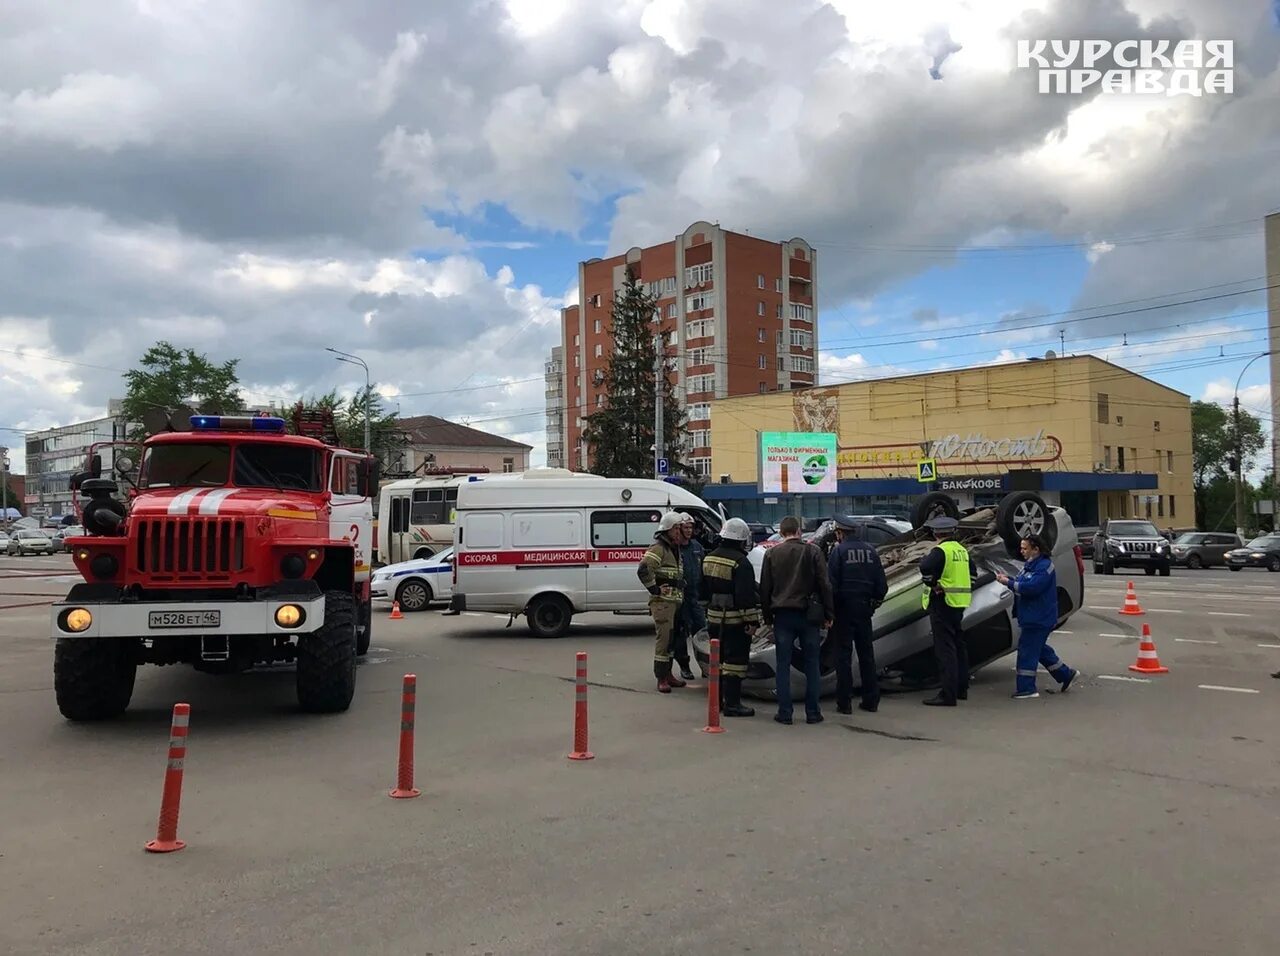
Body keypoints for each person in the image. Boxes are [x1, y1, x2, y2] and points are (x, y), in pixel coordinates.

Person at [760, 515, 834, 725]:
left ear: (782, 533)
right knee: (812, 663)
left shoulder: (772, 553)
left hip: (782, 616)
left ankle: (785, 713)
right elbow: (825, 584)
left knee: (782, 664)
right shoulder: (813, 551)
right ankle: (813, 712)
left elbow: (765, 587)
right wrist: (829, 614)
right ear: (799, 532)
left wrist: (767, 617)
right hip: (809, 615)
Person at [997, 534, 1077, 699]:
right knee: (1039, 649)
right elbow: (1024, 583)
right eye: (1021, 548)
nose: (1022, 551)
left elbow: (1031, 587)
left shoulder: (1044, 566)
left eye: (1025, 548)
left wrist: (1008, 583)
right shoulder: (1030, 565)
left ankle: (1027, 689)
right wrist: (1008, 580)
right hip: (1032, 616)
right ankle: (1065, 674)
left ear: (1036, 549)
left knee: (1027, 651)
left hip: (1038, 618)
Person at [699, 517, 761, 717]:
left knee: (718, 662)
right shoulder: (741, 562)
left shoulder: (708, 558)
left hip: (713, 621)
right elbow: (745, 597)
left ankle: (717, 701)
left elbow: (702, 593)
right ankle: (733, 704)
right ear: (742, 540)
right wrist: (752, 622)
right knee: (735, 663)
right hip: (735, 623)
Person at [827, 515, 888, 714]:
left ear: (840, 533)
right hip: (864, 611)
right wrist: (872, 606)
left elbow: (831, 586)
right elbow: (882, 586)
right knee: (866, 656)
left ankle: (844, 703)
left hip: (843, 611)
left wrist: (830, 611)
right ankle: (871, 700)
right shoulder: (871, 552)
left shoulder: (839, 552)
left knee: (843, 657)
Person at [918, 515, 975, 707]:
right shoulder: (962, 551)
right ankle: (961, 688)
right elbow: (973, 574)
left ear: (936, 533)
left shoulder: (940, 551)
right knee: (959, 646)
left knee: (945, 650)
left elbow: (924, 567)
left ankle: (947, 694)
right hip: (959, 603)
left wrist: (933, 584)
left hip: (942, 603)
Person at [637, 511, 687, 693]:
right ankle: (661, 677)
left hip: (674, 602)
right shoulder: (658, 548)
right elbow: (643, 569)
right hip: (663, 603)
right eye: (677, 528)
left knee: (672, 640)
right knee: (664, 641)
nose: (679, 532)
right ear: (669, 529)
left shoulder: (674, 548)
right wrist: (655, 589)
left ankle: (669, 674)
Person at [671, 513, 706, 682]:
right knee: (680, 634)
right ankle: (684, 666)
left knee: (701, 632)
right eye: (685, 527)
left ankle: (705, 666)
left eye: (691, 527)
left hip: (696, 597)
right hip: (681, 598)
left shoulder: (697, 547)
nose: (689, 530)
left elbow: (704, 570)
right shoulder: (674, 549)